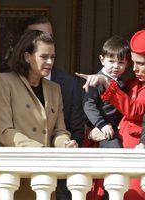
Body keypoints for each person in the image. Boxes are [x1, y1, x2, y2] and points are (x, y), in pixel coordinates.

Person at [20, 15, 85, 200]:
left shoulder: (67, 85)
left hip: (59, 180)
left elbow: (74, 131)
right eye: (38, 35)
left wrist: (67, 143)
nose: (45, 41)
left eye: (49, 36)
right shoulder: (7, 80)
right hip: (21, 173)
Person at [76, 29, 145, 199]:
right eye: (134, 62)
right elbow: (92, 107)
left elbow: (134, 110)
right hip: (110, 144)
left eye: (141, 63)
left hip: (134, 160)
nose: (135, 68)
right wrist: (92, 131)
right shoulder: (129, 83)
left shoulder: (113, 82)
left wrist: (107, 83)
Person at [83, 35, 131, 148]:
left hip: (119, 127)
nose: (116, 66)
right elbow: (89, 106)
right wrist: (101, 124)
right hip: (103, 127)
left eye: (121, 62)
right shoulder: (95, 80)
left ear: (127, 64)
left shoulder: (122, 82)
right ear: (102, 60)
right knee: (115, 151)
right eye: (111, 61)